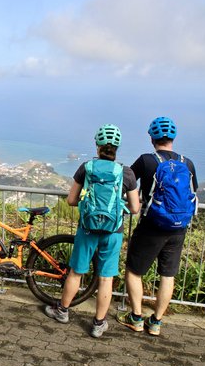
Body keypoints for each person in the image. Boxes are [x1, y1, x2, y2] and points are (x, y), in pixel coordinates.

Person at [44, 124, 140, 338]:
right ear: (117, 147)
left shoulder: (86, 168)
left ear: (97, 146)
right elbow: (134, 208)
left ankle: (62, 311)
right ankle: (98, 324)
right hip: (113, 231)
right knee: (106, 278)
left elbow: (71, 200)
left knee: (76, 272)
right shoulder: (126, 172)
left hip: (87, 229)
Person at [117, 116, 198, 336]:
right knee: (167, 275)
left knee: (134, 272)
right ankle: (156, 322)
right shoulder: (187, 163)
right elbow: (193, 192)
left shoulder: (146, 160)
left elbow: (126, 182)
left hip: (152, 226)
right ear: (173, 137)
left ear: (152, 138)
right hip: (178, 228)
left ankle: (136, 317)